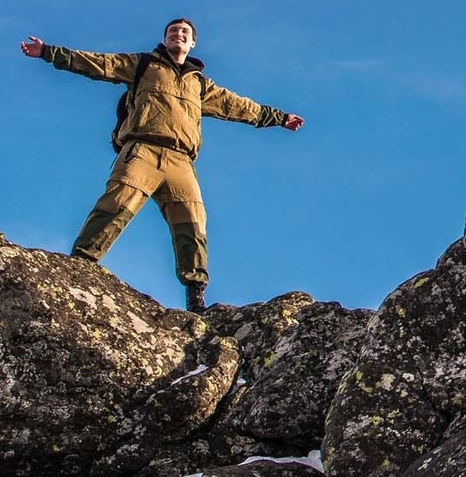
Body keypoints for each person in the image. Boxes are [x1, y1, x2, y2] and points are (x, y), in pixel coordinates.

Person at [22, 19, 302, 311]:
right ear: (165, 39)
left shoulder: (199, 83)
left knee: (193, 223)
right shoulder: (145, 65)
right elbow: (99, 64)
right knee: (115, 205)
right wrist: (48, 52)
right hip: (142, 149)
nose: (178, 34)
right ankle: (80, 264)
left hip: (180, 161)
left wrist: (278, 117)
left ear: (192, 42)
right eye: (172, 31)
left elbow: (238, 106)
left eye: (184, 32)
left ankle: (196, 296)